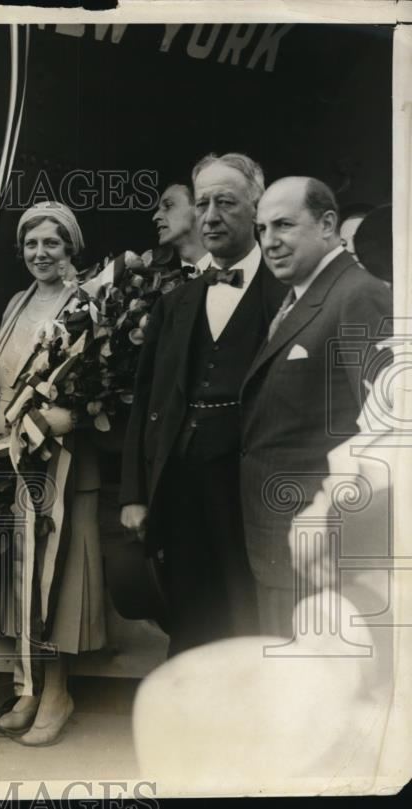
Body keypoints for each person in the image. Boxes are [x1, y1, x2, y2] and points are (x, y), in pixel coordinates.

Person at [0, 201, 107, 746]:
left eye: (51, 244)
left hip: (60, 462)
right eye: (32, 244)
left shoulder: (90, 302)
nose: (40, 253)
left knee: (55, 582)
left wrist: (65, 416)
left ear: (70, 249)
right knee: (22, 579)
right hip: (12, 460)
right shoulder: (18, 302)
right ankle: (29, 689)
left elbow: (103, 387)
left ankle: (58, 692)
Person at [120, 153, 287, 657]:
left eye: (226, 202)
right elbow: (146, 401)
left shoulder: (288, 294)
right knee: (192, 619)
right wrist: (135, 492)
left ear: (256, 209)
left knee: (253, 616)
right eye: (202, 203)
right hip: (182, 484)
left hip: (253, 488)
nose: (210, 215)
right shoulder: (176, 302)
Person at [240, 177, 392, 636]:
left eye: (283, 225)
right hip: (282, 543)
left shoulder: (357, 294)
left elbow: (384, 432)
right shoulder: (301, 297)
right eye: (262, 229)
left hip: (320, 547)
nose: (270, 242)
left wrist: (331, 526)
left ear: (328, 224)